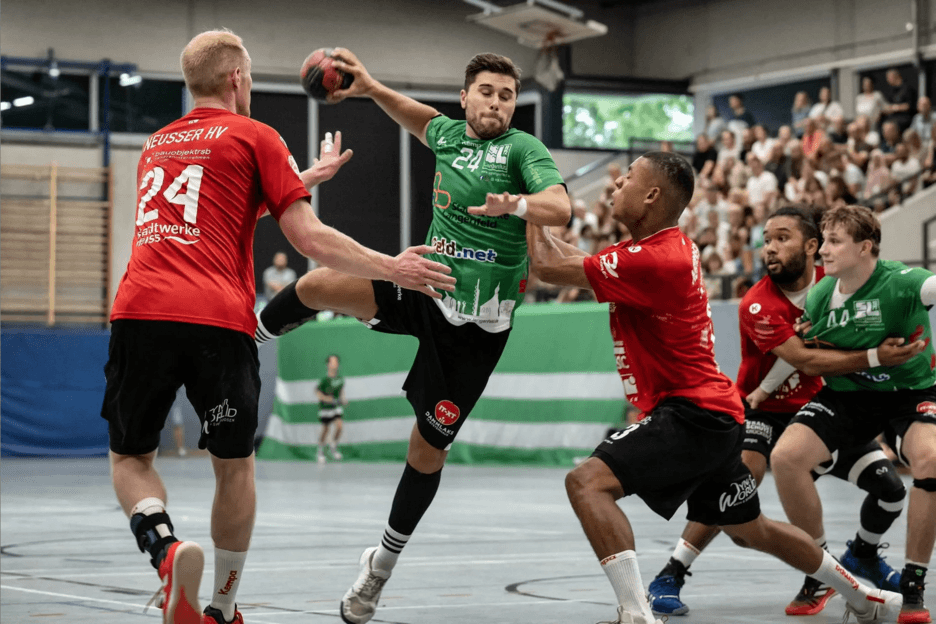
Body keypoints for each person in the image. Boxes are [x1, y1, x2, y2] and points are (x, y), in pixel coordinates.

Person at [100, 29, 455, 624]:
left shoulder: (155, 145)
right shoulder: (257, 135)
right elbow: (308, 238)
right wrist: (392, 267)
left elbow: (214, 206)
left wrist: (301, 178)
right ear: (237, 78)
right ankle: (222, 607)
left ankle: (165, 551)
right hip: (218, 321)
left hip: (141, 312)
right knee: (234, 466)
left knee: (131, 459)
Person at [254, 49, 570, 624]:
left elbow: (560, 206)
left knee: (427, 450)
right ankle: (245, 340)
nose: (497, 103)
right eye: (487, 92)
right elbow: (418, 116)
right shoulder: (448, 135)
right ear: (466, 97)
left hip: (477, 329)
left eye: (506, 95)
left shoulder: (523, 150)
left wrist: (518, 203)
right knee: (320, 284)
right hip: (423, 283)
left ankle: (380, 565)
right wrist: (371, 86)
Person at [526, 152, 903, 624]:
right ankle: (867, 599)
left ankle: (636, 614)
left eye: (628, 178)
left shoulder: (656, 258)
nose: (616, 184)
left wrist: (530, 203)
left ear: (652, 195)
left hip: (692, 413)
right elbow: (565, 260)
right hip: (716, 412)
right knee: (751, 529)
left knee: (586, 483)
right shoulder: (659, 247)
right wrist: (533, 213)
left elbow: (545, 266)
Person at [646, 205, 913, 617]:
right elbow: (804, 359)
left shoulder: (835, 284)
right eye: (767, 239)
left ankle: (862, 555)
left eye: (782, 238)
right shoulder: (757, 303)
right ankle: (672, 573)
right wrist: (877, 357)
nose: (769, 247)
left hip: (822, 407)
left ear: (812, 246)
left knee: (891, 491)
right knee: (739, 484)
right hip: (763, 412)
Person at [771, 205, 936, 624]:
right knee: (786, 458)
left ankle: (913, 585)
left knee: (931, 460)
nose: (823, 249)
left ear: (865, 248)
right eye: (824, 240)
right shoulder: (820, 296)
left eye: (834, 241)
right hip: (849, 395)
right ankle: (823, 571)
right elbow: (808, 355)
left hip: (908, 394)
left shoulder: (904, 282)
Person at [315, 354, 347, 463]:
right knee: (326, 429)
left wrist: (343, 399)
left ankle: (333, 447)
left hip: (336, 407)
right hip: (325, 408)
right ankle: (320, 450)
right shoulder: (324, 380)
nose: (335, 364)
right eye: (332, 362)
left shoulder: (340, 379)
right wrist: (326, 398)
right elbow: (317, 393)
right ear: (327, 365)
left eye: (336, 362)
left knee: (339, 426)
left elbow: (341, 391)